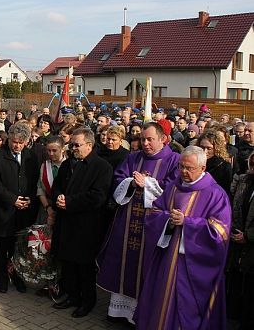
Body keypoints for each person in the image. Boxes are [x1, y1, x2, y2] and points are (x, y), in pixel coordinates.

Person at [134, 146, 231, 329]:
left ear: (203, 168)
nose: (184, 172)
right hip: (167, 257)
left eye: (189, 168)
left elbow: (220, 232)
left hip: (193, 266)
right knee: (161, 300)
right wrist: (168, 220)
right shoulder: (173, 187)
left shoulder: (216, 194)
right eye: (181, 167)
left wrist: (188, 223)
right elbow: (154, 212)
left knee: (186, 308)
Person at [97, 122, 180, 324]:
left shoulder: (174, 160)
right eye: (143, 139)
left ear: (163, 139)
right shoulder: (133, 157)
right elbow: (118, 178)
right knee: (124, 262)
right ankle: (119, 312)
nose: (145, 143)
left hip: (154, 225)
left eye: (150, 139)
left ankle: (141, 315)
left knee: (147, 266)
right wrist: (131, 183)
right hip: (127, 220)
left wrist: (148, 184)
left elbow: (173, 189)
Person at [51, 128, 113, 318]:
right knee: (68, 263)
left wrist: (70, 202)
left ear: (89, 145)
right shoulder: (67, 164)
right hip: (66, 222)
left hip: (87, 226)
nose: (73, 148)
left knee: (84, 267)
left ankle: (87, 301)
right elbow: (57, 187)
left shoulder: (102, 167)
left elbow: (98, 196)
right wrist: (58, 198)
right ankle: (72, 295)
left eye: (77, 145)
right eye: (72, 145)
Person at [0, 121, 39, 293]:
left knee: (19, 247)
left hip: (24, 211)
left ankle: (18, 276)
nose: (16, 145)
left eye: (20, 143)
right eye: (13, 142)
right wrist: (12, 200)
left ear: (26, 142)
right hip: (4, 210)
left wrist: (30, 199)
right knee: (2, 248)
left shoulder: (31, 156)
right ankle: (2, 277)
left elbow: (34, 182)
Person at [230, 151, 254, 329]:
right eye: (251, 164)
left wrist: (248, 236)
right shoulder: (244, 180)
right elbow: (236, 204)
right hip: (238, 238)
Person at [36, 136, 66, 226]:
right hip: (46, 208)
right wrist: (48, 208)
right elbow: (40, 188)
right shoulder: (44, 165)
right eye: (48, 150)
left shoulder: (70, 165)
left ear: (62, 149)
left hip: (63, 208)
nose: (51, 153)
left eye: (54, 150)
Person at [197, 130, 232, 196]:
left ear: (216, 148)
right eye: (202, 147)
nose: (205, 151)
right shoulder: (195, 162)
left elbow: (225, 190)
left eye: (209, 148)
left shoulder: (224, 165)